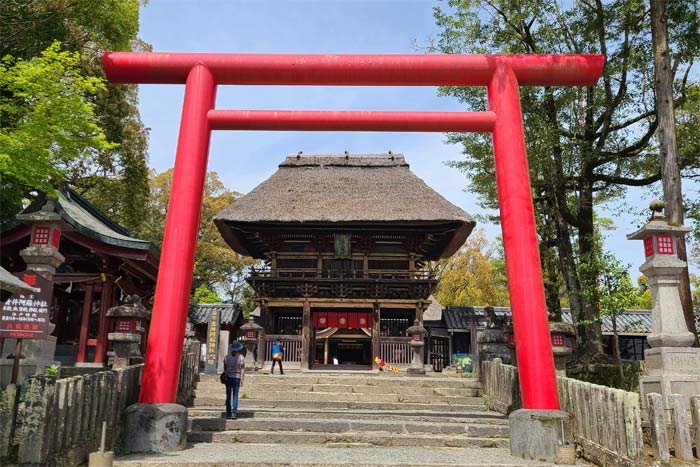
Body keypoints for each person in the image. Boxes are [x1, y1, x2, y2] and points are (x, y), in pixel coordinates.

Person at [223, 341, 245, 419]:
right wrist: (242, 379)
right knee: (235, 395)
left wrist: (225, 376)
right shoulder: (241, 357)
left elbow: (225, 368)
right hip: (237, 377)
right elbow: (242, 369)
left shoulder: (226, 357)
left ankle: (228, 412)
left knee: (228, 395)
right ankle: (234, 413)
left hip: (229, 377)